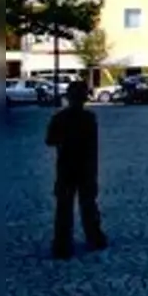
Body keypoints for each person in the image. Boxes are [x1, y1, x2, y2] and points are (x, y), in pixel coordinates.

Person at [46, 80, 108, 260]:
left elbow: (49, 140)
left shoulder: (59, 117)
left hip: (66, 166)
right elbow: (93, 147)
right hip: (85, 167)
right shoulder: (89, 118)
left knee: (64, 207)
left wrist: (63, 140)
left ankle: (62, 244)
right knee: (88, 204)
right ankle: (94, 237)